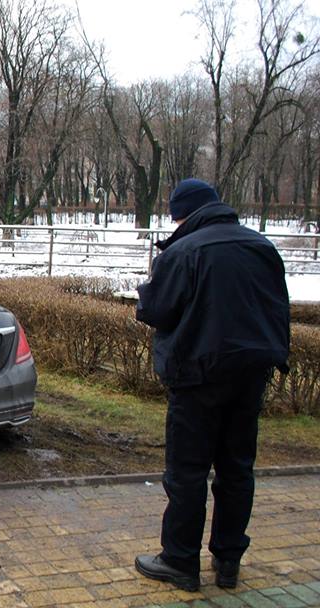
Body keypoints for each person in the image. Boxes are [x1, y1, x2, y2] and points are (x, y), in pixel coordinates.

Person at [134, 179, 290, 591]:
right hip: (250, 375)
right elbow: (277, 308)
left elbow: (154, 310)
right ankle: (228, 562)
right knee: (237, 470)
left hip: (197, 378)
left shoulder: (184, 251)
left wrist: (145, 288)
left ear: (183, 214)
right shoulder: (261, 247)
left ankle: (180, 561)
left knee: (187, 473)